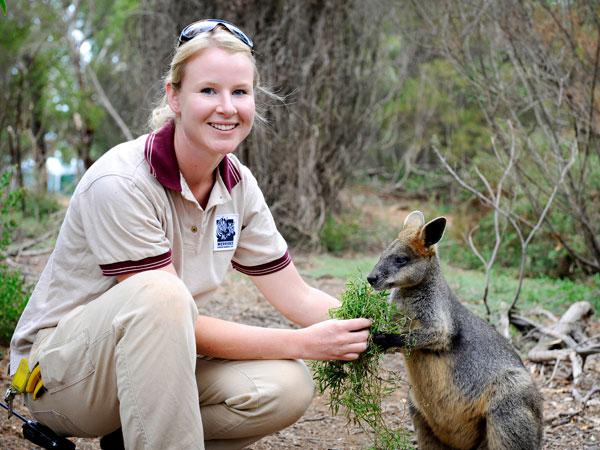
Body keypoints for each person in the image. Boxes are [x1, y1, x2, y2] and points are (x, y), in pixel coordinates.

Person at [9, 19, 371, 450]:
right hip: (61, 381)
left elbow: (298, 297)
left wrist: (387, 328)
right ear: (174, 97)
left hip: (153, 361)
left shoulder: (239, 185)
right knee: (162, 295)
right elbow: (166, 311)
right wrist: (302, 342)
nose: (227, 107)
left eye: (240, 92)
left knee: (286, 386)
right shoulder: (122, 181)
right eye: (208, 91)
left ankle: (131, 441)